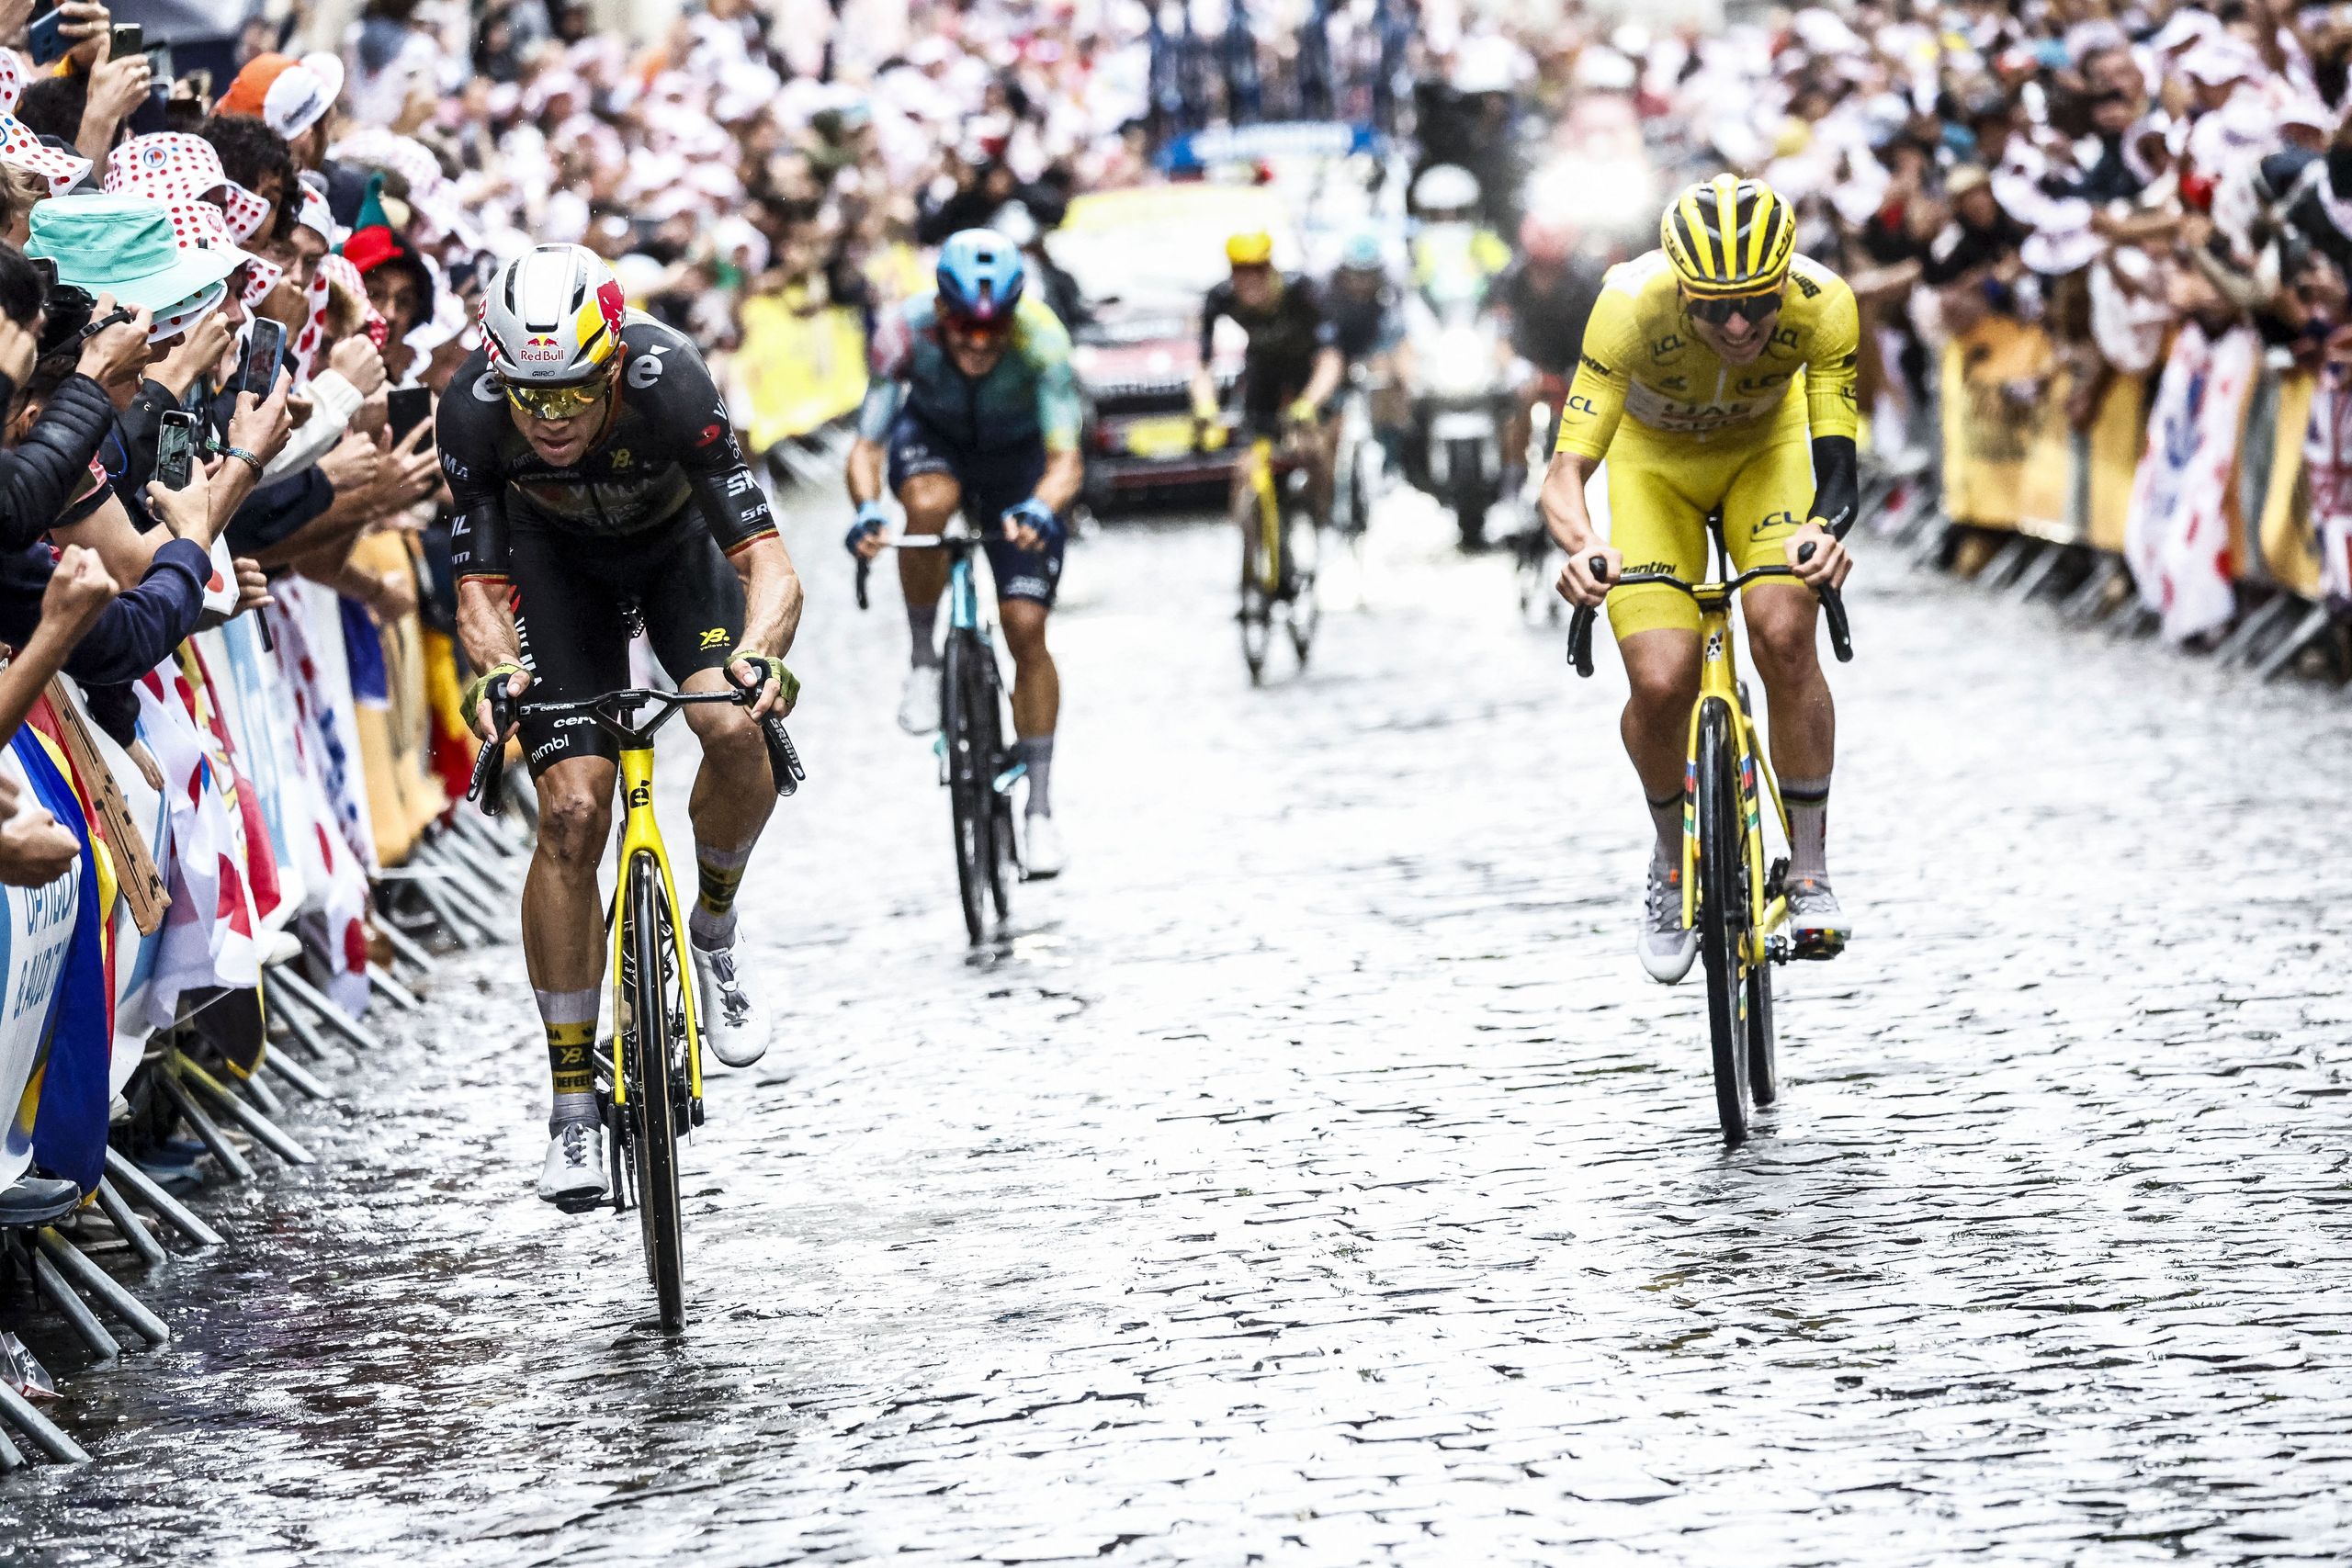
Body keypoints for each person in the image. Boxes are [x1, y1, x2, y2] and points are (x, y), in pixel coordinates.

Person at [441, 243, 805, 1207]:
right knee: (569, 814)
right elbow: (476, 586)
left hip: (676, 556)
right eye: (529, 395)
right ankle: (569, 1104)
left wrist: (762, 653)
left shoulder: (671, 379)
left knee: (735, 729)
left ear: (611, 369)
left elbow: (769, 560)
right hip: (558, 577)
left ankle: (714, 929)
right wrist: (496, 671)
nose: (547, 419)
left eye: (570, 396)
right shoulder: (472, 410)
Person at [1539, 175, 1859, 982]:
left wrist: (1824, 532)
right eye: (1712, 307)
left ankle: (1812, 868)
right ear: (1680, 286)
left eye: (1756, 300)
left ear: (1786, 276)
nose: (1740, 323)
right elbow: (1565, 473)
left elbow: (1839, 468)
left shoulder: (1826, 304)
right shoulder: (1627, 305)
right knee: (1660, 678)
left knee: (1784, 633)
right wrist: (1581, 546)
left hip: (1769, 454)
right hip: (1656, 470)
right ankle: (1670, 854)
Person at [844, 228, 1080, 879]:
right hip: (937, 443)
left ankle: (1040, 808)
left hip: (1017, 462)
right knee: (926, 507)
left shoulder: (1044, 341)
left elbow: (1066, 460)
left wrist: (1041, 506)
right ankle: (924, 660)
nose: (979, 344)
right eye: (965, 330)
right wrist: (867, 507)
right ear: (942, 313)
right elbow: (866, 446)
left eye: (993, 330)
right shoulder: (904, 332)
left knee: (1026, 627)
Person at [1190, 230, 1343, 549]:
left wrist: (1309, 403)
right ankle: (1252, 550)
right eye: (1240, 271)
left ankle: (1323, 522)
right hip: (1263, 373)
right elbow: (1204, 365)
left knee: (1314, 448)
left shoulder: (1301, 291)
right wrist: (1205, 407)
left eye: (1258, 270)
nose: (1249, 281)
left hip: (1308, 375)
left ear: (1270, 268)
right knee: (1247, 463)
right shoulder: (1220, 298)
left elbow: (1331, 358)